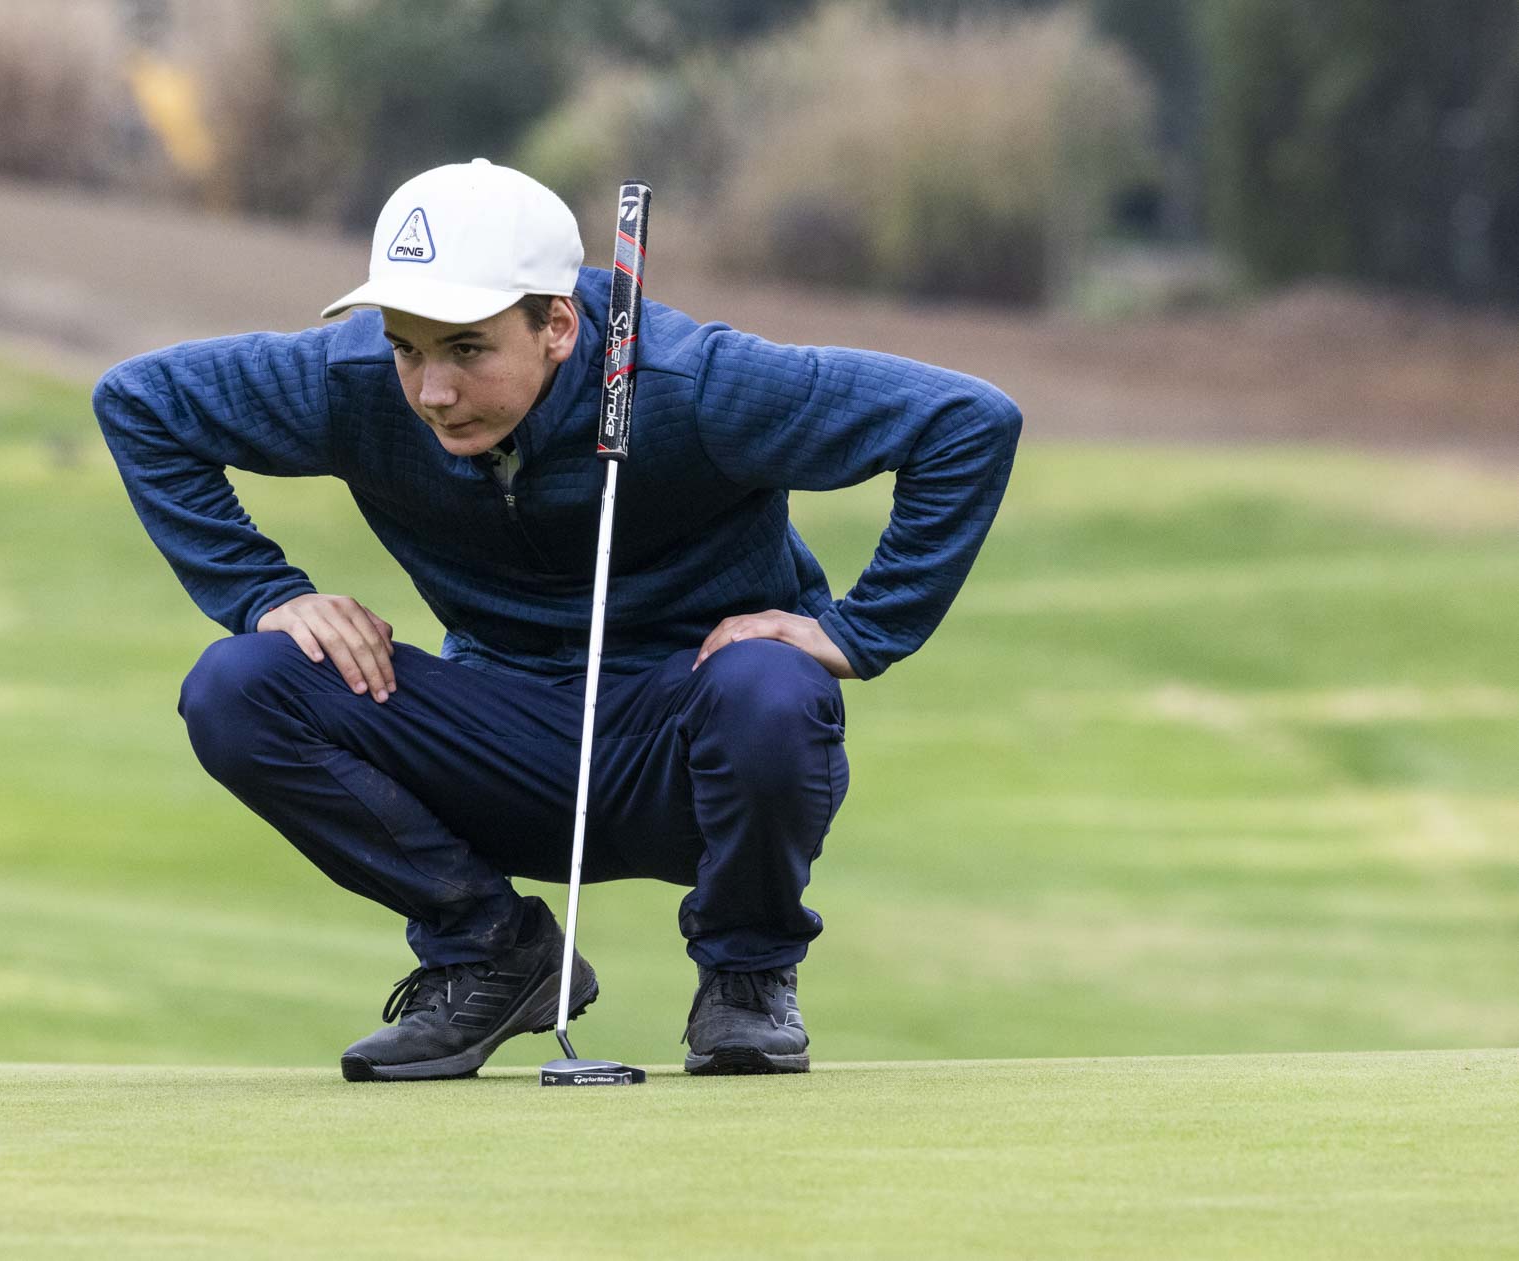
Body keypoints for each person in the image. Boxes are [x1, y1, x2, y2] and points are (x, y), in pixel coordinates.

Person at [92, 158, 1020, 1081]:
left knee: (772, 687)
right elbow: (140, 401)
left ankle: (746, 978)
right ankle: (491, 951)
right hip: (497, 747)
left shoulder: (691, 382)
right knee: (240, 684)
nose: (431, 391)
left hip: (692, 751)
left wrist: (859, 632)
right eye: (407, 348)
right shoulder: (355, 382)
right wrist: (266, 592)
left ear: (559, 326)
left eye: (467, 349)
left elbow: (964, 423)